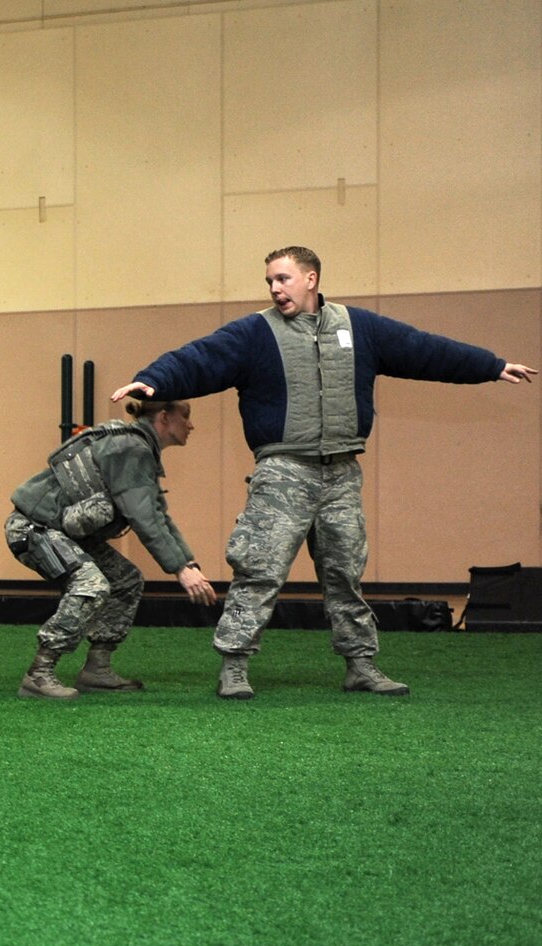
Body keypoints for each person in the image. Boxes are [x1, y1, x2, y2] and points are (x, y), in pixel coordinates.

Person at [112, 245, 538, 700]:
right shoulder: (255, 334)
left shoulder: (359, 328)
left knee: (345, 575)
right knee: (259, 570)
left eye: (284, 279)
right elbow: (199, 358)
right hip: (282, 472)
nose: (276, 289)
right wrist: (153, 378)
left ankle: (361, 666)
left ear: (311, 279)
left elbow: (424, 349)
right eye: (270, 282)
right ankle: (234, 667)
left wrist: (491, 366)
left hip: (341, 474)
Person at [4, 399, 219, 699]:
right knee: (90, 584)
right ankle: (39, 673)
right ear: (164, 417)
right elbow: (144, 519)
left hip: (62, 533)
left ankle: (97, 669)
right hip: (33, 529)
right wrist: (180, 570)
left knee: (125, 580)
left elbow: (158, 515)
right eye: (186, 416)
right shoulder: (132, 449)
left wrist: (189, 564)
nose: (191, 425)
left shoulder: (139, 448)